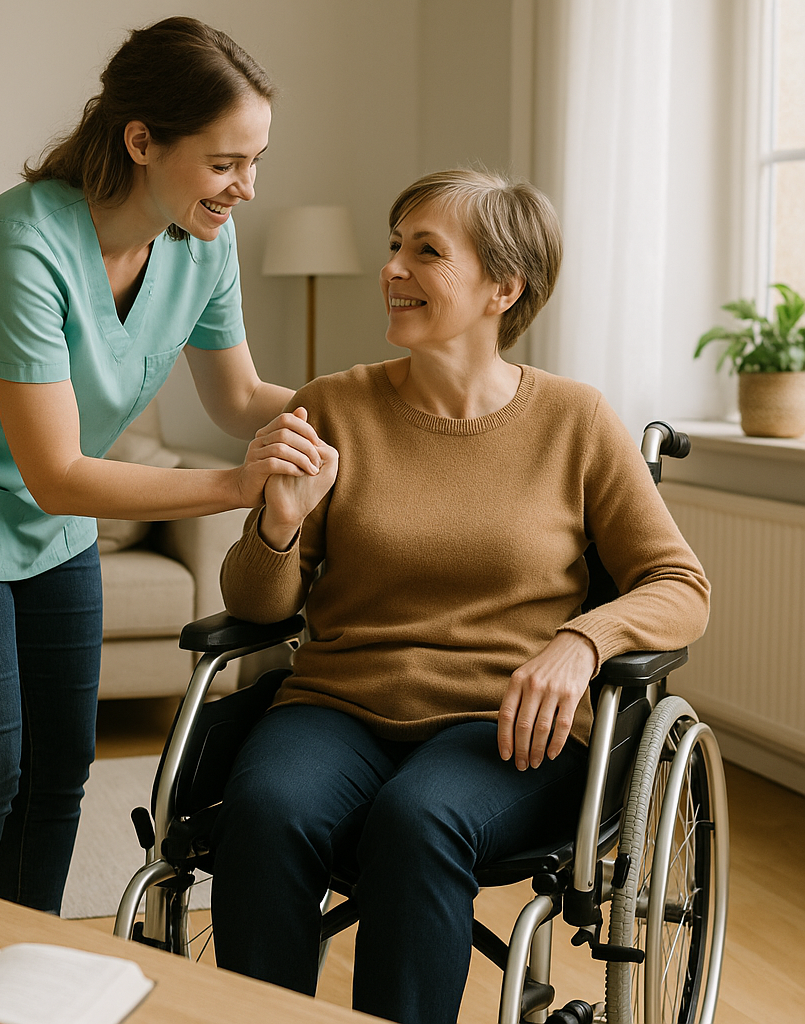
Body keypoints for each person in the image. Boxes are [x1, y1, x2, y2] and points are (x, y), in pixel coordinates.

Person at [209, 169, 711, 1024]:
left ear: (502, 287)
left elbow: (680, 584)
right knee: (264, 809)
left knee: (418, 820)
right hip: (337, 706)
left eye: (426, 251)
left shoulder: (575, 420)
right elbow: (257, 607)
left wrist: (582, 641)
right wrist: (280, 526)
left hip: (506, 724)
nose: (392, 269)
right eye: (394, 246)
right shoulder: (332, 406)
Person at [0, 16, 324, 915]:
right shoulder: (17, 245)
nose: (247, 187)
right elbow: (59, 473)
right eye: (226, 163)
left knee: (62, 766)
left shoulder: (203, 241)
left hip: (54, 520)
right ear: (142, 141)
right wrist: (236, 486)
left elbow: (236, 397)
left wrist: (368, 407)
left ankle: (27, 955)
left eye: (255, 161)